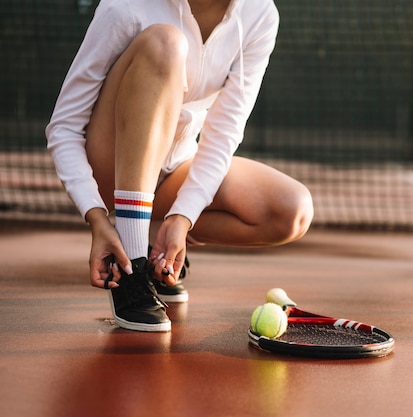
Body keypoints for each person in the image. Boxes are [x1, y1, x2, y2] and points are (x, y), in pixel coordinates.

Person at [45, 0, 314, 332]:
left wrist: (182, 217)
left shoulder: (259, 14)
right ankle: (132, 265)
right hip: (110, 170)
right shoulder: (125, 6)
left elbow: (223, 134)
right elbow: (64, 127)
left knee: (291, 211)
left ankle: (152, 240)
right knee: (166, 43)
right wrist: (97, 216)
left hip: (175, 168)